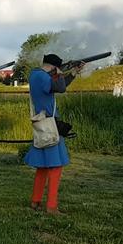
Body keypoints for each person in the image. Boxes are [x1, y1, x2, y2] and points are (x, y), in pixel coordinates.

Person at [24, 54, 83, 215]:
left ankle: (35, 201)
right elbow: (60, 87)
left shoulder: (36, 75)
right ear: (53, 67)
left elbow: (58, 86)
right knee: (56, 167)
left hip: (43, 124)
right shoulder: (42, 77)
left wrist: (72, 73)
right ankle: (51, 206)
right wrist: (60, 73)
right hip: (50, 125)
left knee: (42, 167)